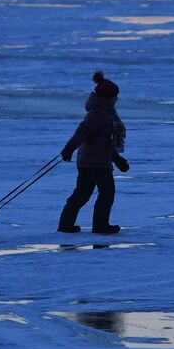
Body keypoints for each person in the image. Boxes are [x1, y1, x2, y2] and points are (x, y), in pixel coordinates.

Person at [58, 71, 130, 234]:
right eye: (114, 97)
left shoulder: (102, 113)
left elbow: (103, 141)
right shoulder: (99, 114)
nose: (116, 100)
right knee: (107, 192)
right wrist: (69, 148)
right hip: (96, 162)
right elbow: (81, 132)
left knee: (82, 194)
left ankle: (66, 224)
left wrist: (117, 159)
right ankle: (100, 225)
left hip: (90, 160)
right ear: (107, 98)